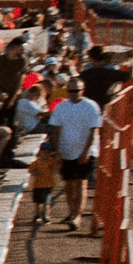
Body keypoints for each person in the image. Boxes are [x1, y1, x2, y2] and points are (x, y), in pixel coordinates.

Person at [43, 73, 105, 234]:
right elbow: (55, 130)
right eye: (70, 91)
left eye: (76, 91)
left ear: (82, 90)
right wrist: (57, 151)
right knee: (69, 184)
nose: (73, 94)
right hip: (66, 150)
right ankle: (71, 212)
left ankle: (77, 216)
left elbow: (93, 131)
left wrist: (86, 152)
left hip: (85, 150)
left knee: (81, 183)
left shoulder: (91, 106)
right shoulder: (61, 107)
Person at [26, 135, 61, 227]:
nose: (45, 154)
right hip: (38, 185)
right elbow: (30, 171)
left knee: (46, 201)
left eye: (47, 152)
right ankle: (37, 214)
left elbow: (57, 167)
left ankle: (45, 215)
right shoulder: (36, 163)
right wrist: (35, 172)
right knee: (37, 201)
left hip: (48, 184)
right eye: (43, 152)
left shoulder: (51, 162)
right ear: (40, 152)